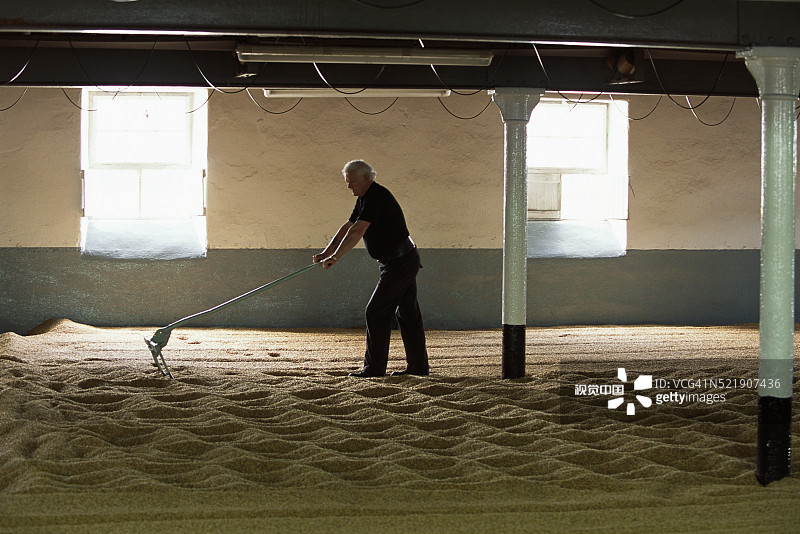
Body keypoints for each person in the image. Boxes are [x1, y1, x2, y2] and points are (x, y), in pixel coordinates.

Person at [313, 160, 429, 378]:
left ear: (367, 178)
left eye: (352, 182)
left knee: (376, 312)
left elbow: (358, 231)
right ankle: (418, 367)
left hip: (401, 262)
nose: (349, 187)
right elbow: (348, 226)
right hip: (399, 261)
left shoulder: (377, 196)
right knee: (408, 313)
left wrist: (336, 257)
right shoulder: (364, 198)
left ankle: (374, 369)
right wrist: (326, 252)